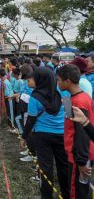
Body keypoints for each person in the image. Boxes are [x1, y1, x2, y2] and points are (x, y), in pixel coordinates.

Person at [19, 67, 69, 198]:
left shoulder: (34, 97)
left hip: (41, 136)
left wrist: (24, 137)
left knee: (45, 168)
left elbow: (31, 119)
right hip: (62, 134)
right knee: (63, 166)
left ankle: (46, 196)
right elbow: (70, 113)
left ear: (41, 80)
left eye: (34, 77)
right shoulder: (64, 92)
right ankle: (67, 194)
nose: (32, 80)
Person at [57, 64, 94, 199]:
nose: (57, 82)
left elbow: (82, 133)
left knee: (77, 192)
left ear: (67, 81)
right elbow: (71, 122)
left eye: (59, 80)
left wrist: (81, 161)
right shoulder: (74, 98)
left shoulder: (80, 102)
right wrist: (67, 104)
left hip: (78, 156)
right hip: (74, 154)